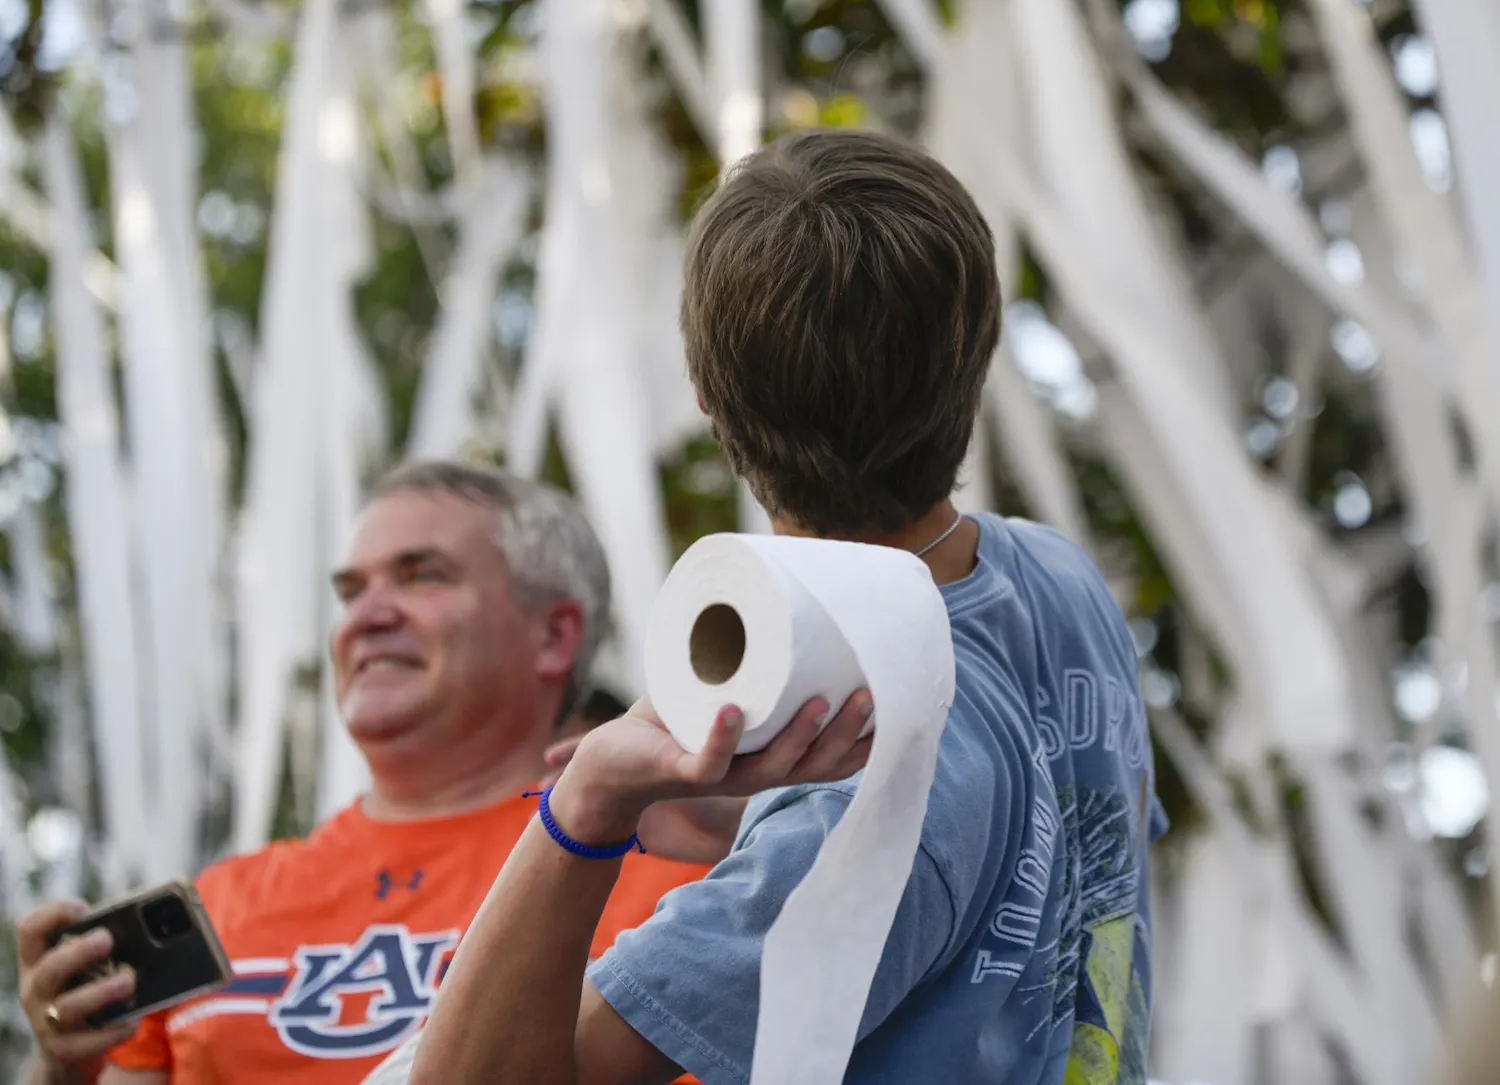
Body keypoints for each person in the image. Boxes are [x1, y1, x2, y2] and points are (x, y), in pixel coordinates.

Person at [407, 128, 1168, 1085]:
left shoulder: (857, 815)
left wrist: (588, 802)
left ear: (706, 397)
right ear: (978, 352)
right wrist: (756, 820)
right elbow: (1078, 846)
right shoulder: (1059, 579)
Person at [16, 462, 710, 1085]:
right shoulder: (218, 907)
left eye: (422, 575)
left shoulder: (689, 875)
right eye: (350, 591)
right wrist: (60, 1066)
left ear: (553, 635)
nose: (367, 617)